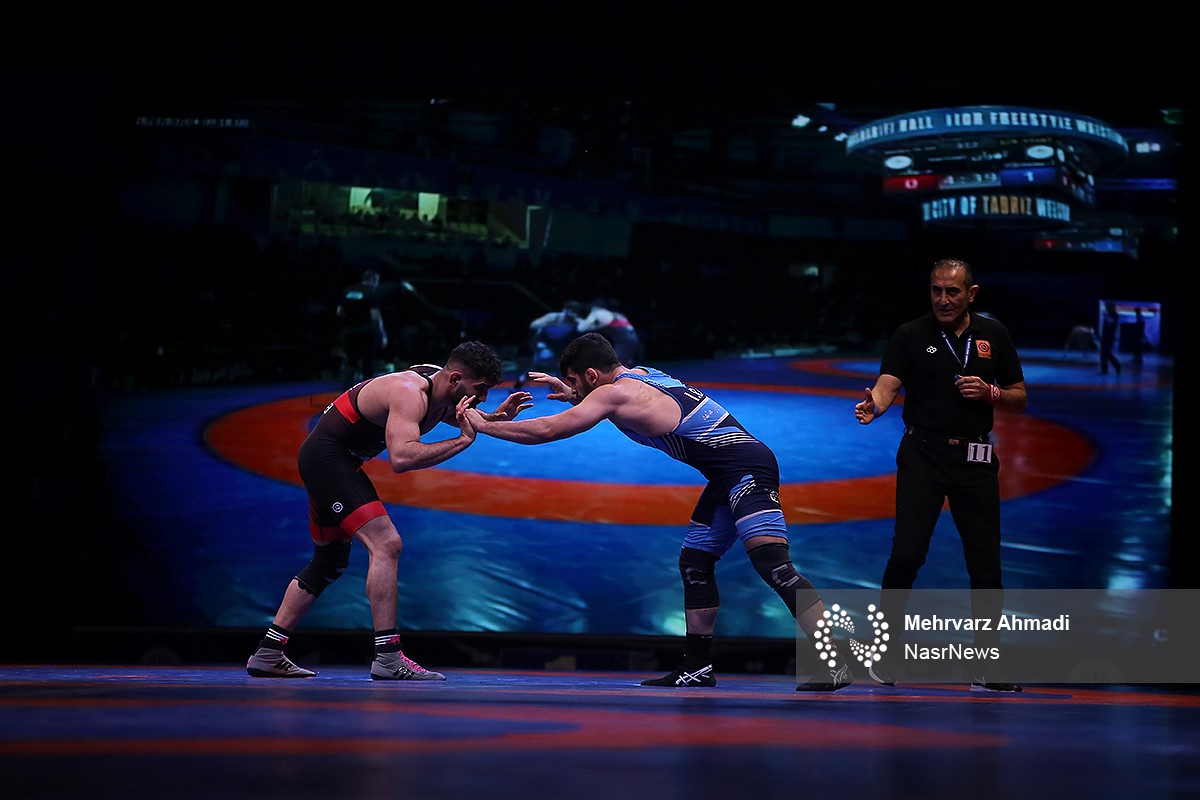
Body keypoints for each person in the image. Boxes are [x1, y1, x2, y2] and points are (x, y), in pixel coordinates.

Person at [466, 332, 853, 692]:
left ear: (592, 374)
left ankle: (834, 661)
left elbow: (547, 430)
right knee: (695, 564)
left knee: (774, 565)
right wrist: (575, 394)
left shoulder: (613, 395)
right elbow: (618, 403)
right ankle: (697, 666)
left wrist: (483, 425)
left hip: (747, 470)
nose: (577, 390)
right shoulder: (643, 375)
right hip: (730, 471)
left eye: (577, 381)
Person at [246, 341, 533, 680]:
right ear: (455, 379)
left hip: (334, 461)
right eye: (480, 389)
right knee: (386, 543)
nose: (482, 398)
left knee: (328, 562)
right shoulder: (409, 393)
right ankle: (388, 657)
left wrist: (497, 418)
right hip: (328, 460)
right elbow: (402, 457)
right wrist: (462, 441)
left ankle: (268, 652)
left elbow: (464, 416)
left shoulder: (443, 387)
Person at [853, 258, 1027, 692]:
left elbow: (1019, 396)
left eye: (952, 291)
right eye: (936, 290)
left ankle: (986, 666)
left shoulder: (994, 334)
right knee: (907, 555)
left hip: (975, 459)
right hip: (923, 456)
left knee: (985, 565)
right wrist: (875, 405)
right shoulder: (910, 334)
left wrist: (990, 392)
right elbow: (888, 383)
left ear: (971, 294)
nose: (943, 299)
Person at [337, 269, 389, 388]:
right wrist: (382, 334)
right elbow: (375, 316)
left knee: (350, 362)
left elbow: (339, 312)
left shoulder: (348, 291)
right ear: (373, 280)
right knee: (367, 363)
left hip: (350, 331)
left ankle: (345, 390)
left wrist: (352, 318)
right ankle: (366, 392)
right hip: (366, 333)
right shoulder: (372, 293)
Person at [573, 298, 643, 366]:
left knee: (618, 365)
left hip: (626, 340)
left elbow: (581, 329)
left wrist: (577, 320)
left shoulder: (600, 314)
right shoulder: (611, 313)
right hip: (630, 338)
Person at [1099, 300, 1121, 376]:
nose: (1107, 308)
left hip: (1110, 337)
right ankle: (1104, 369)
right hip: (1105, 337)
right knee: (1103, 354)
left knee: (1107, 353)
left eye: (1108, 307)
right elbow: (1105, 327)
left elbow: (1111, 323)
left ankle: (1117, 365)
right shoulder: (1107, 315)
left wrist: (1106, 316)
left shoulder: (1115, 315)